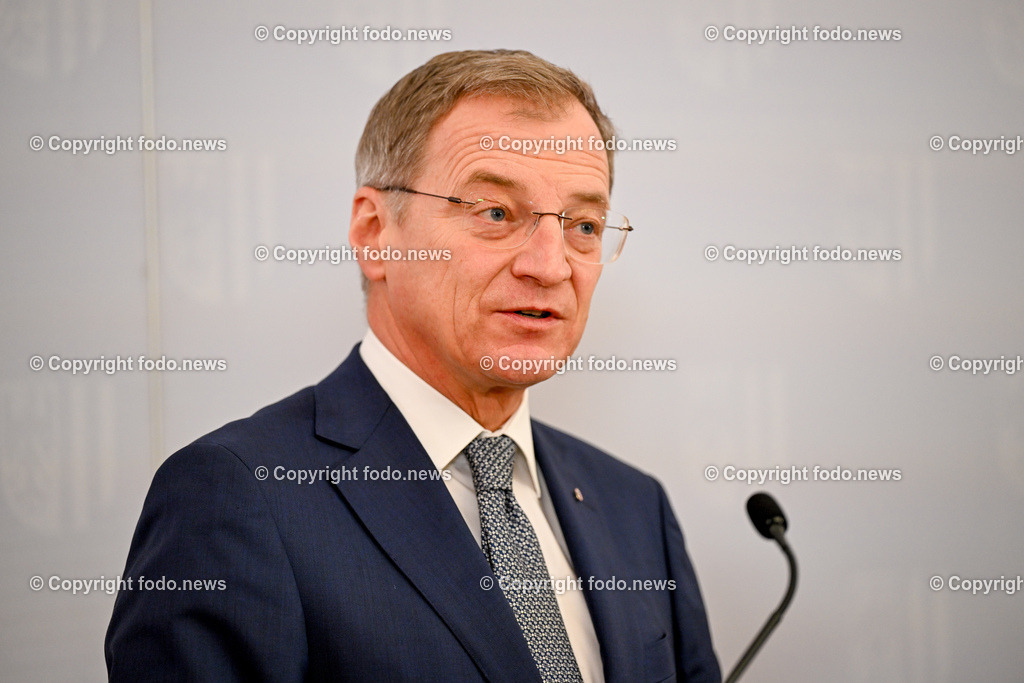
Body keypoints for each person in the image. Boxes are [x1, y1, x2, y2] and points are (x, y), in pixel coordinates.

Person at [105, 49, 721, 682]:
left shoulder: (633, 504)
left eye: (584, 225)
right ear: (376, 233)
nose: (551, 265)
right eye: (495, 214)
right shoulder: (238, 496)